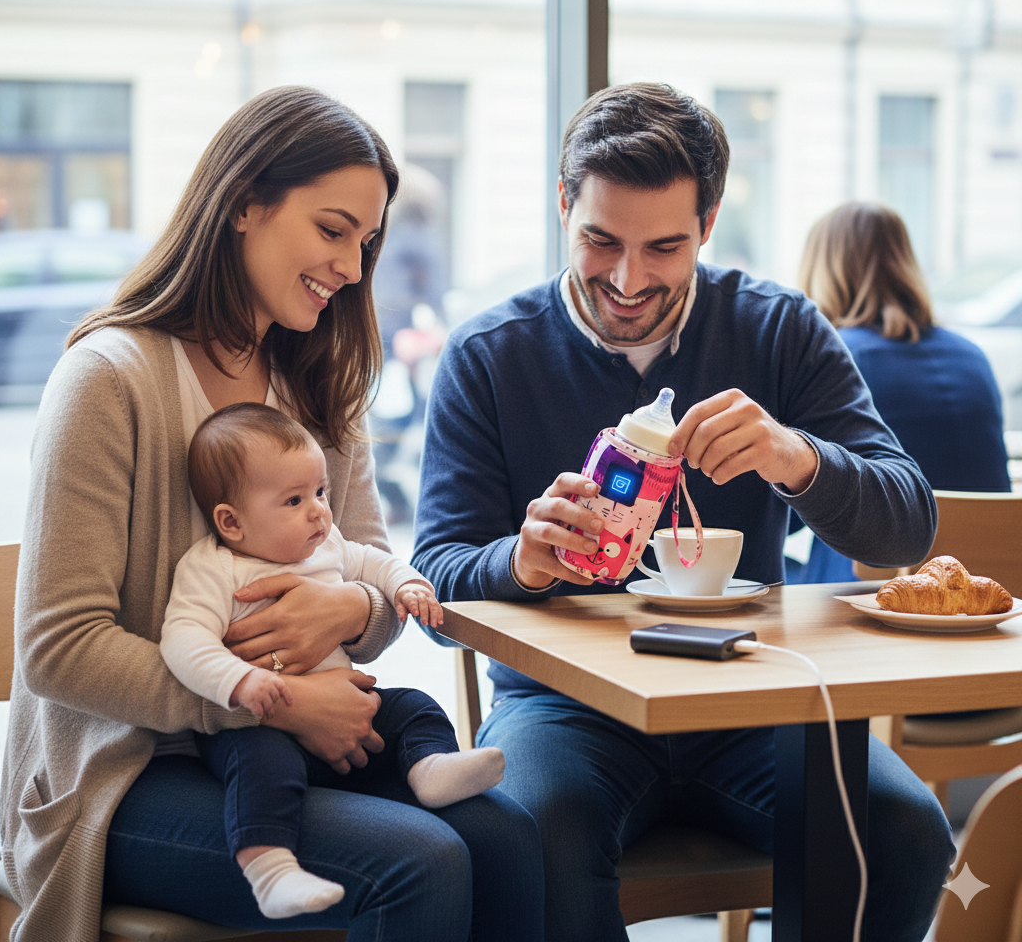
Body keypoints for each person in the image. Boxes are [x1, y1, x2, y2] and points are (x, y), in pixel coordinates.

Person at [412, 82, 955, 942]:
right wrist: (516, 560)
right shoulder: (490, 356)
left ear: (707, 224)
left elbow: (908, 526)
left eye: (663, 247)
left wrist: (796, 458)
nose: (627, 282)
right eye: (600, 240)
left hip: (747, 694)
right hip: (565, 710)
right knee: (529, 837)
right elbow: (434, 584)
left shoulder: (779, 331)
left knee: (904, 831)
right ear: (563, 206)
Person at [0, 86, 542, 942]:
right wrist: (275, 703)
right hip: (123, 769)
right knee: (418, 862)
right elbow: (58, 649)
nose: (354, 268)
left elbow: (366, 568)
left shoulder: (319, 384)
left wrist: (358, 607)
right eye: (332, 231)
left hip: (282, 747)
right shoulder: (107, 381)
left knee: (507, 838)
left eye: (365, 242)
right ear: (245, 203)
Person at [161, 402, 506, 920]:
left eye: (320, 492)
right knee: (260, 764)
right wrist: (238, 682)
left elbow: (374, 562)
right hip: (262, 723)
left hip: (350, 712)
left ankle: (428, 768)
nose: (320, 510)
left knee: (414, 705)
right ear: (231, 522)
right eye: (295, 500)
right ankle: (271, 869)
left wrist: (406, 585)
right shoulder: (215, 569)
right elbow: (183, 640)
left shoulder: (326, 545)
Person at [787, 200, 1011, 583]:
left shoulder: (836, 358)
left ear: (821, 270)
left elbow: (790, 512)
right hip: (986, 591)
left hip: (871, 591)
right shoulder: (972, 357)